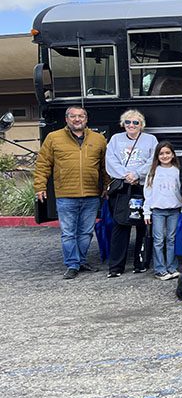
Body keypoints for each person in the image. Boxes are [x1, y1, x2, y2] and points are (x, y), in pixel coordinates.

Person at [33, 105, 108, 279]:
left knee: (86, 232)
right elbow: (43, 164)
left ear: (86, 119)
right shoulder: (53, 138)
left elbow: (105, 167)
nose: (77, 119)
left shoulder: (98, 139)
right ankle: (72, 264)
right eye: (73, 116)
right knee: (68, 233)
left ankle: (81, 260)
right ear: (66, 119)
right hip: (66, 195)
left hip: (91, 194)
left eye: (81, 116)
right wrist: (40, 186)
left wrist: (106, 186)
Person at [104, 109, 158, 277]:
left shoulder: (150, 140)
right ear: (123, 124)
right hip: (122, 187)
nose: (131, 125)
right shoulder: (115, 139)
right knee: (120, 225)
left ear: (141, 125)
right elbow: (110, 159)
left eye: (136, 122)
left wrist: (137, 174)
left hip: (141, 186)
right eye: (128, 122)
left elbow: (153, 160)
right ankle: (116, 267)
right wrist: (125, 175)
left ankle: (141, 263)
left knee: (143, 225)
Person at [143, 141, 182, 280]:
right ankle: (160, 269)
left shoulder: (177, 170)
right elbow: (147, 192)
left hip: (174, 209)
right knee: (158, 240)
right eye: (161, 153)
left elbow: (180, 190)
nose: (165, 156)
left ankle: (172, 267)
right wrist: (146, 211)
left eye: (168, 153)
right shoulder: (153, 171)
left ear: (173, 154)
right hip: (158, 210)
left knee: (172, 239)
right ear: (157, 156)